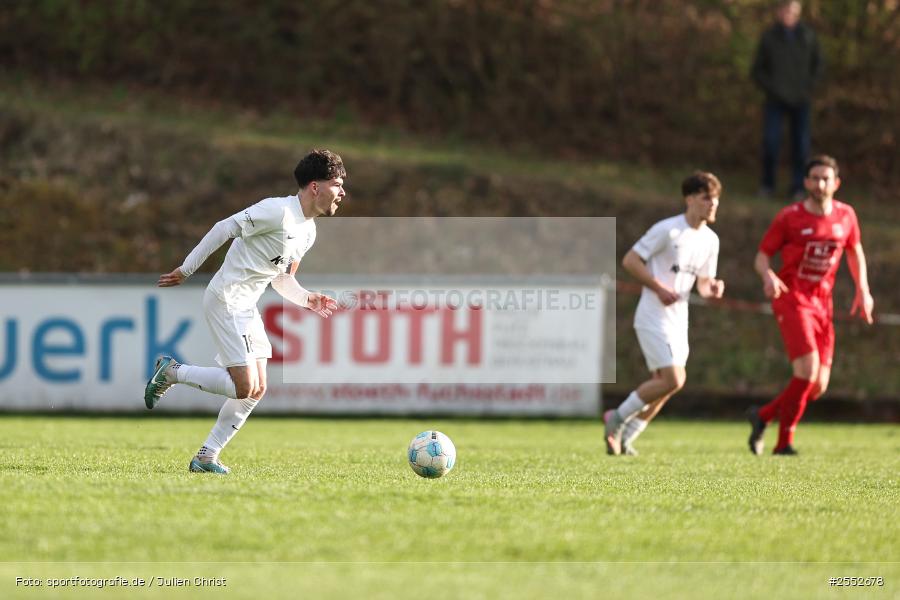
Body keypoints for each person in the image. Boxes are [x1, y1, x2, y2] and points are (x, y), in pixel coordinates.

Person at [143, 149, 345, 474]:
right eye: (337, 183)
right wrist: (187, 269)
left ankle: (207, 456)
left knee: (257, 389)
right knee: (243, 386)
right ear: (314, 187)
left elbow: (281, 278)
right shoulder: (276, 211)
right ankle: (171, 372)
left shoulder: (308, 232)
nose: (342, 192)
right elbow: (224, 227)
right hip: (226, 298)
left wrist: (307, 299)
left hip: (245, 306)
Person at [747, 155, 874, 456]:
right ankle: (783, 444)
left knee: (817, 385)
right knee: (807, 369)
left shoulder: (846, 215)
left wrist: (863, 290)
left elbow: (855, 252)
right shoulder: (789, 217)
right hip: (793, 299)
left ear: (836, 183)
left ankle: (762, 416)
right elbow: (762, 256)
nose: (820, 184)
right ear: (805, 182)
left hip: (822, 304)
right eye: (814, 178)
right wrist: (767, 275)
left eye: (825, 178)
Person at [604, 172, 725, 456]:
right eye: (707, 197)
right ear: (690, 198)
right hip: (652, 315)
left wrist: (714, 289)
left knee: (666, 385)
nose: (713, 204)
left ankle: (627, 437)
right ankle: (616, 419)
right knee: (674, 380)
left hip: (679, 319)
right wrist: (658, 288)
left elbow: (704, 285)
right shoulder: (668, 230)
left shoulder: (711, 240)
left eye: (716, 198)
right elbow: (630, 261)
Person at [751, 0, 824, 200]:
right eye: (784, 10)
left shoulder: (808, 36)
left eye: (792, 10)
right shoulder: (769, 37)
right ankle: (767, 185)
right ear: (778, 12)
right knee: (771, 142)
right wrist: (773, 88)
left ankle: (798, 188)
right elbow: (757, 70)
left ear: (798, 12)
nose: (788, 14)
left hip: (801, 100)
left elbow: (818, 66)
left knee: (801, 146)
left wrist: (807, 88)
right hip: (774, 100)